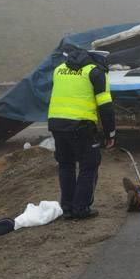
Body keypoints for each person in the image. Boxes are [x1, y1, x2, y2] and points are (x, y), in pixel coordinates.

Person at [47, 46, 116, 219]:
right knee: (89, 165)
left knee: (66, 165)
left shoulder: (59, 70)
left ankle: (67, 208)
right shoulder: (96, 73)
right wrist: (110, 134)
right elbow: (105, 106)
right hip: (81, 126)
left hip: (56, 124)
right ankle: (81, 208)